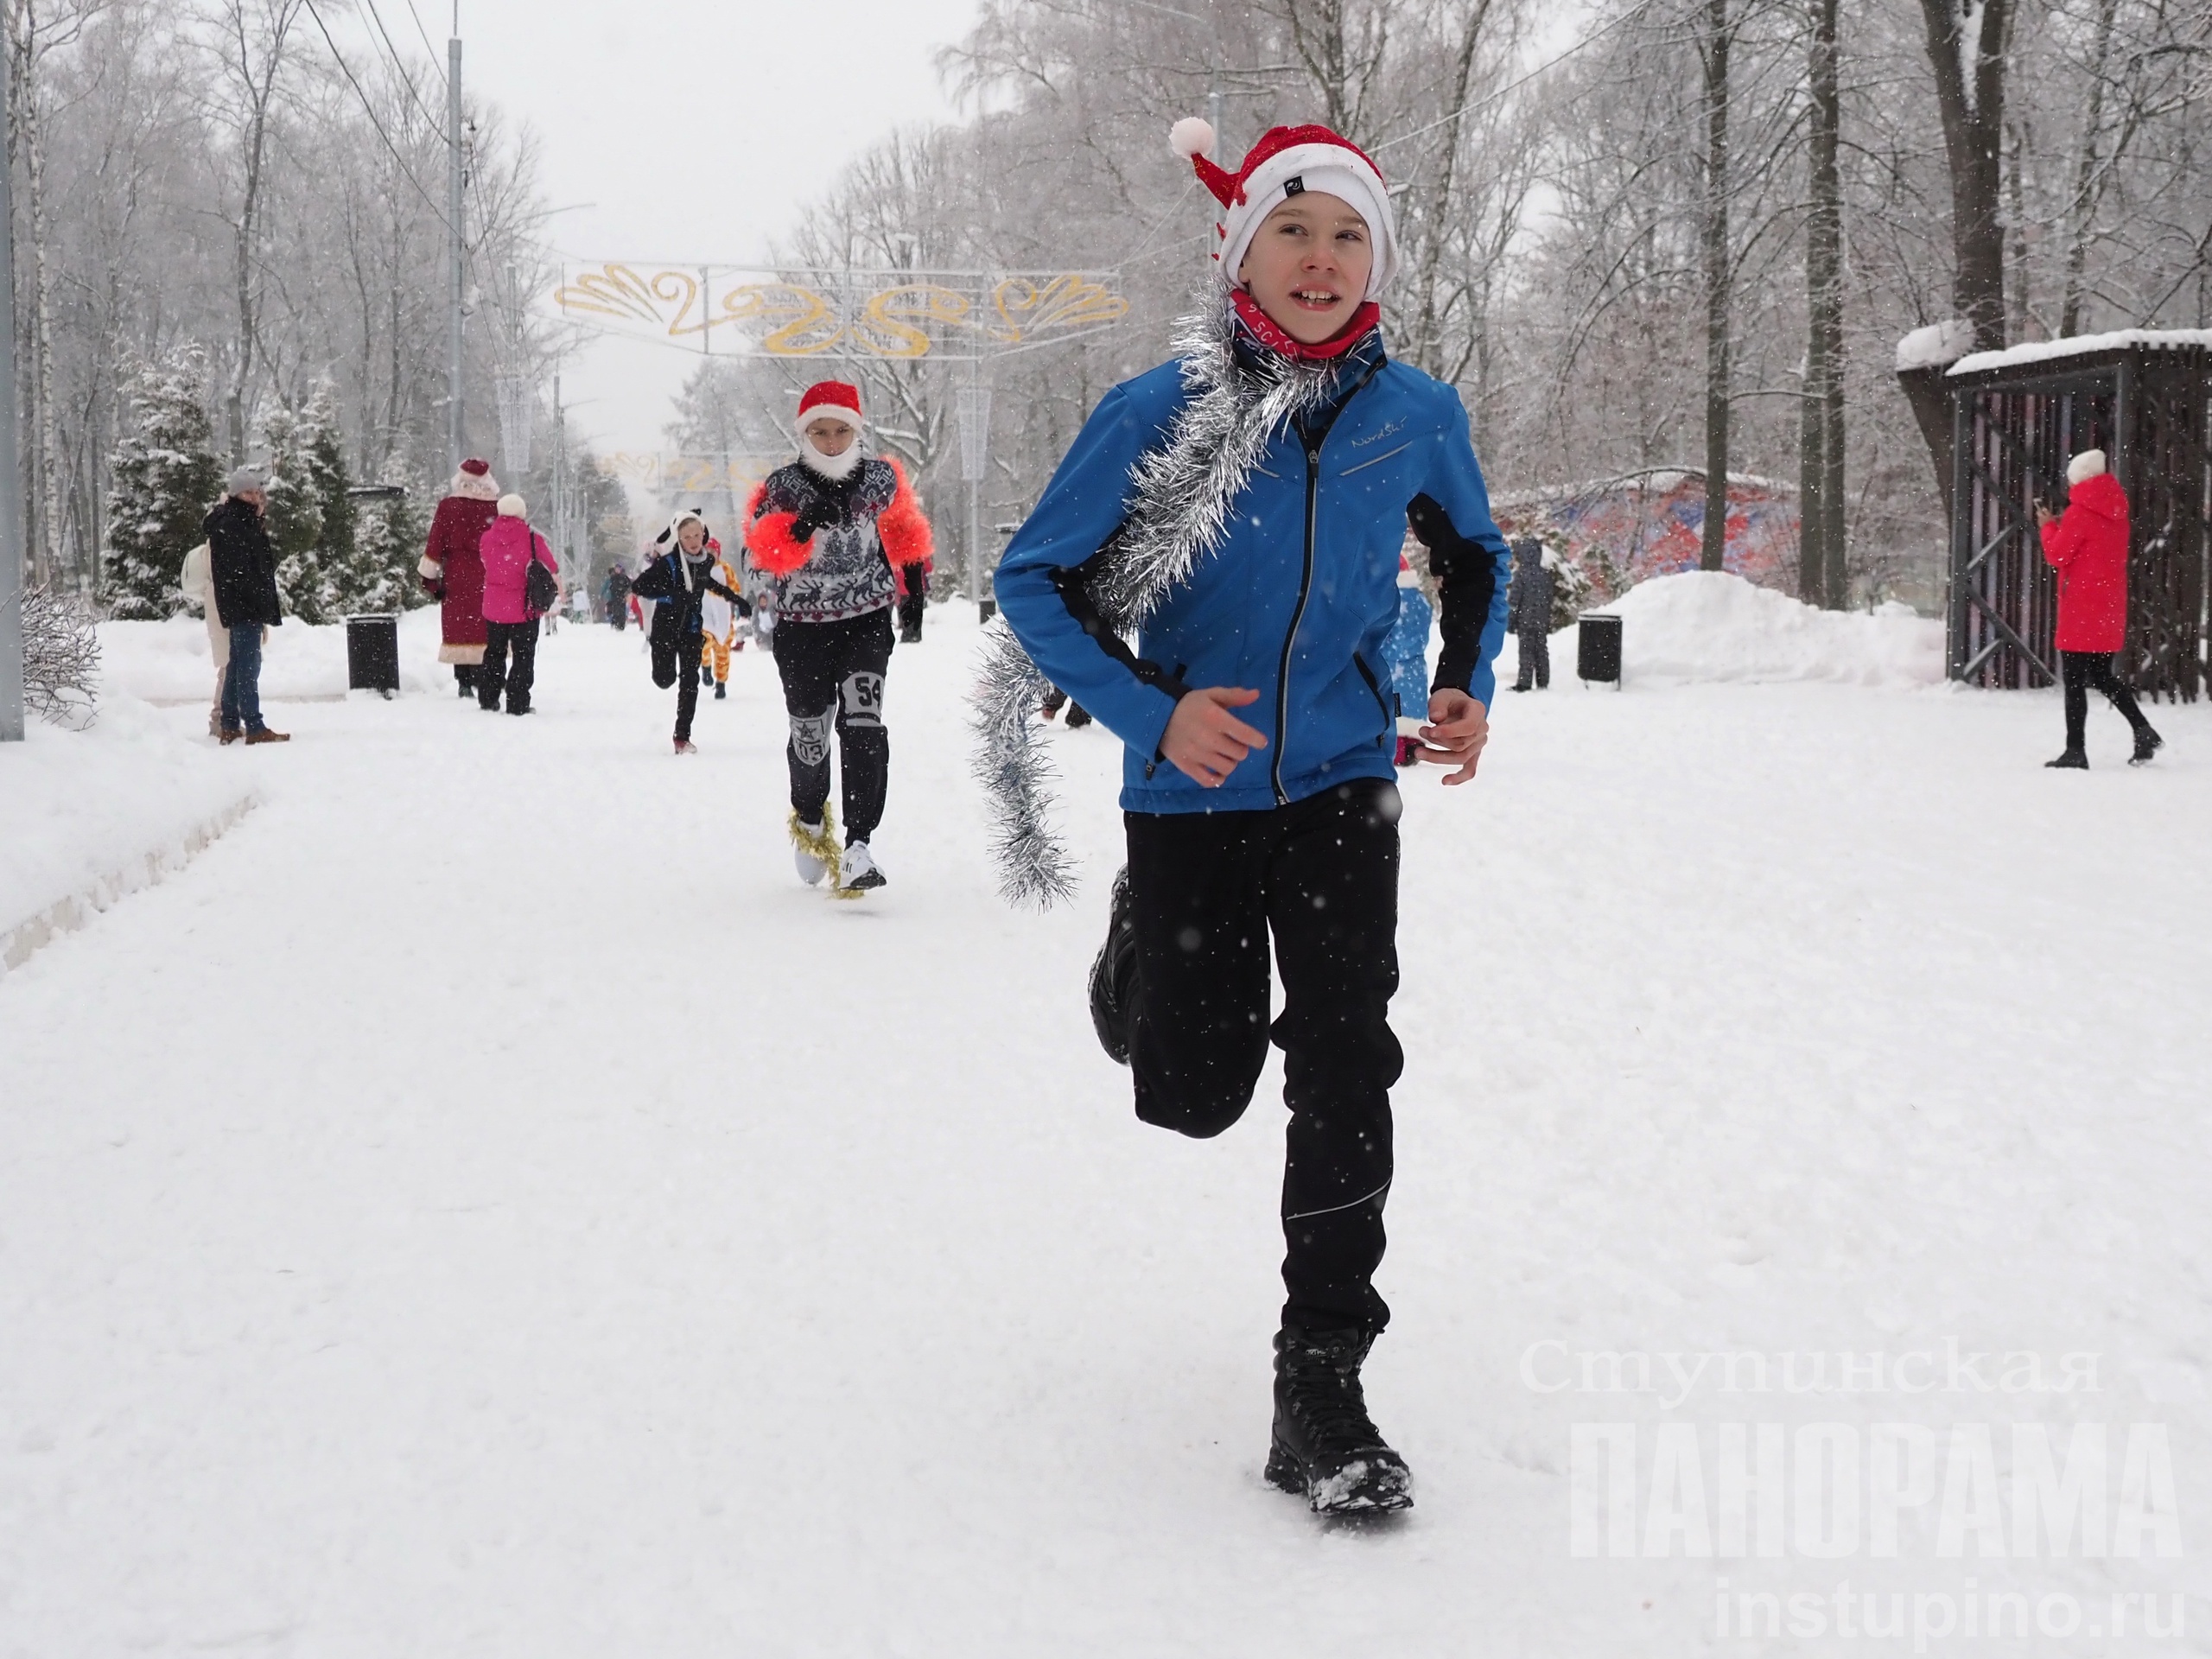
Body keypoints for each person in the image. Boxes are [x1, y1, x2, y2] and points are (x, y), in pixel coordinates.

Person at [986, 118, 1508, 1515]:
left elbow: (1473, 553)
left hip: (1344, 780)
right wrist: (1154, 712)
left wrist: (1463, 684)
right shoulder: (1159, 408)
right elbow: (1031, 581)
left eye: (1349, 236)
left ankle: (1322, 1381)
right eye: (1295, 230)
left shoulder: (1418, 414)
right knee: (1192, 1095)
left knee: (1348, 1065)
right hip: (1192, 789)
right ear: (1242, 250)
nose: (1322, 259)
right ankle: (1138, 951)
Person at [745, 381, 935, 895]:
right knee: (810, 735)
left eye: (841, 430)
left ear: (857, 429)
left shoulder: (880, 481)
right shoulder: (782, 486)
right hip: (802, 630)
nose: (831, 441)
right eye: (820, 431)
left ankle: (858, 843)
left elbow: (905, 534)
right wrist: (803, 526)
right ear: (804, 433)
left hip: (866, 622)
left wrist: (913, 593)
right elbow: (760, 553)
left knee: (864, 724)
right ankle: (809, 818)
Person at [2037, 448, 2162, 768]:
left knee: (2076, 682)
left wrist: (2048, 526)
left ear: (2078, 478)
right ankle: (2143, 730)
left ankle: (2075, 750)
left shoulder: (2080, 513)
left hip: (2080, 607)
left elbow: (2058, 556)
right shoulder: (2118, 512)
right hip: (2108, 607)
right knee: (2103, 676)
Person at [631, 508, 747, 753]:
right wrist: (670, 593)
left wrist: (737, 599)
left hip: (692, 629)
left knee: (690, 682)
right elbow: (639, 586)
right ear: (679, 540)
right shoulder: (668, 564)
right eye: (687, 537)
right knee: (665, 680)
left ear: (703, 535)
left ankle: (682, 736)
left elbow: (710, 583)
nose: (693, 541)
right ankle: (662, 674)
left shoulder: (705, 561)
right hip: (665, 629)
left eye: (697, 535)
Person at [205, 467, 290, 746]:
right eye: (249, 492)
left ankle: (230, 723)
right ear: (236, 494)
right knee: (248, 666)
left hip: (238, 603)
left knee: (238, 663)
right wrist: (256, 598)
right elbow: (242, 568)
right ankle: (254, 724)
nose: (255, 497)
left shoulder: (237, 520)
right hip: (244, 605)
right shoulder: (234, 523)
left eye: (256, 492)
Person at [420, 457, 501, 696]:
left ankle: (464, 680)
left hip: (457, 575)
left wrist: (430, 579)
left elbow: (435, 543)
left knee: (460, 625)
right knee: (487, 625)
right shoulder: (495, 509)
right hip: (489, 575)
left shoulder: (448, 506)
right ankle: (487, 674)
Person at [477, 493, 560, 715]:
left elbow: (486, 562)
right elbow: (552, 565)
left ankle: (488, 698)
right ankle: (517, 702)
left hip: (494, 608)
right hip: (525, 609)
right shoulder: (533, 539)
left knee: (494, 653)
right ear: (522, 513)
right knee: (523, 656)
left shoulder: (486, 538)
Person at [1379, 555, 1433, 764]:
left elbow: (1384, 636)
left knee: (1391, 707)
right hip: (1415, 665)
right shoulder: (1420, 600)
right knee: (1410, 703)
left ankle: (1395, 749)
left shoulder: (1388, 602)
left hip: (1390, 664)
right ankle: (1413, 746)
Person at [177, 537, 229, 737]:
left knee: (228, 666)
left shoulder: (214, 550)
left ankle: (220, 717)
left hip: (219, 606)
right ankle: (220, 718)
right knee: (229, 666)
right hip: (222, 608)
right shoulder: (220, 551)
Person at [698, 536, 747, 698]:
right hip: (704, 611)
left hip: (723, 614)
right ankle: (705, 666)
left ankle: (721, 683)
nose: (710, 555)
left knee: (723, 651)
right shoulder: (698, 568)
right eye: (707, 552)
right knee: (704, 640)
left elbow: (735, 589)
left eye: (713, 551)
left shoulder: (725, 569)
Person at [1507, 537, 1555, 692]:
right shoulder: (1545, 575)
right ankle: (1543, 680)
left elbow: (1515, 600)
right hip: (1541, 619)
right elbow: (1549, 598)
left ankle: (1525, 682)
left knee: (1526, 649)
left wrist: (1511, 620)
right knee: (1541, 648)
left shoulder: (1521, 575)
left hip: (1525, 619)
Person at [895, 549, 932, 644]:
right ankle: (915, 634)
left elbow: (895, 572)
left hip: (903, 588)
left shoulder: (899, 552)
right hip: (916, 588)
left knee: (905, 611)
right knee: (916, 611)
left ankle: (906, 634)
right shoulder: (919, 550)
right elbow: (928, 567)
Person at [602, 562, 632, 631]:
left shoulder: (624, 578)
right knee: (615, 611)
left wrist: (626, 593)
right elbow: (610, 587)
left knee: (622, 612)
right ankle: (615, 624)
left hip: (622, 597)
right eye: (616, 569)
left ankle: (621, 625)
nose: (617, 570)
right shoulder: (613, 578)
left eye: (619, 569)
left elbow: (629, 586)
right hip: (614, 597)